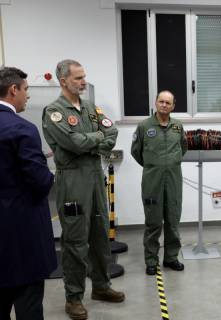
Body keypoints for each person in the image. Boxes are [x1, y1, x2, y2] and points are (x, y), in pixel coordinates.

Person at [42, 60, 124, 320]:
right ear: (63, 81)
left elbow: (111, 131)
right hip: (72, 180)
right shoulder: (55, 111)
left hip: (95, 177)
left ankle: (101, 286)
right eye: (77, 78)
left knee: (100, 235)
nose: (83, 82)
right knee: (75, 241)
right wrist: (96, 140)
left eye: (84, 77)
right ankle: (73, 298)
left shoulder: (90, 108)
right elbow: (73, 143)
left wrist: (92, 141)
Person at [0, 67, 57, 319]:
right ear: (14, 90)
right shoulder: (23, 129)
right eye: (26, 90)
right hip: (22, 234)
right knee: (28, 305)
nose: (28, 97)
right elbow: (39, 181)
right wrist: (48, 172)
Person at [131, 90, 187, 275]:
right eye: (161, 101)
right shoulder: (144, 126)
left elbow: (183, 148)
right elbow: (136, 152)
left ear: (173, 106)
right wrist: (153, 166)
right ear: (155, 103)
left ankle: (171, 258)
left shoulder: (178, 127)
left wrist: (169, 164)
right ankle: (151, 261)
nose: (164, 105)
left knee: (172, 221)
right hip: (152, 181)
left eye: (168, 103)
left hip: (173, 180)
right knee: (153, 222)